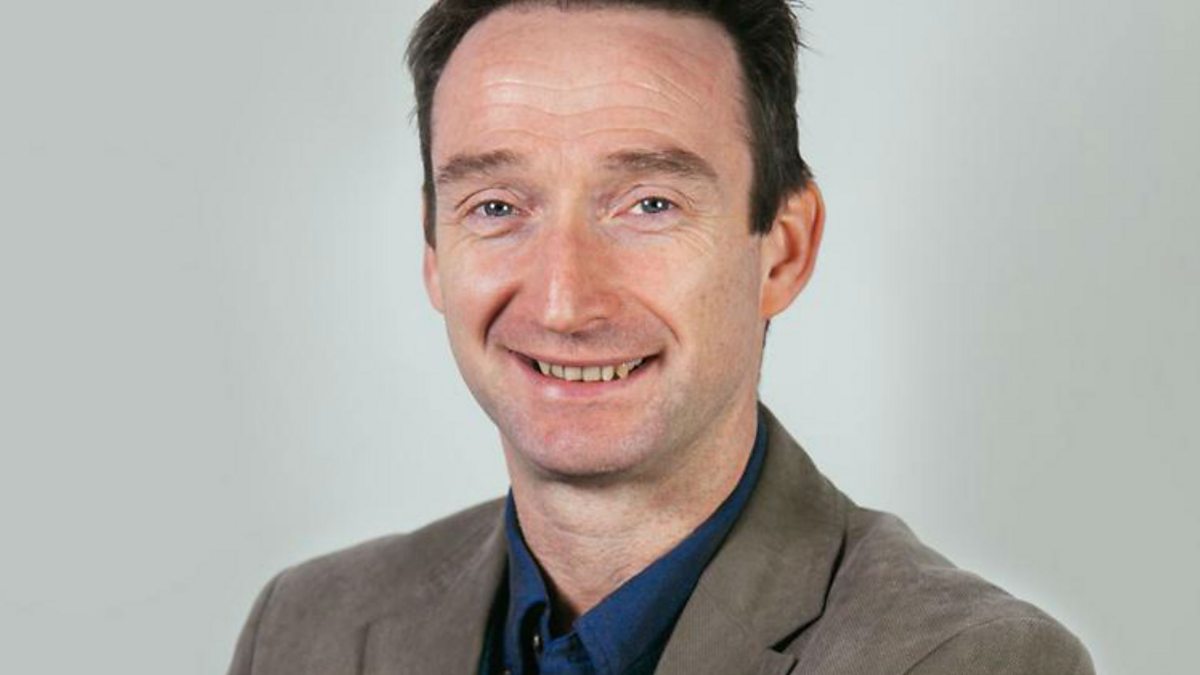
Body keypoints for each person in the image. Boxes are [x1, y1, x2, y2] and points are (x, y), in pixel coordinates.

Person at [228, 1, 1094, 673]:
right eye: (495, 207)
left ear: (784, 251)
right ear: (433, 250)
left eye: (650, 203)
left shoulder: (968, 661)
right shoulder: (306, 632)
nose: (564, 301)